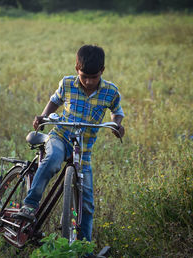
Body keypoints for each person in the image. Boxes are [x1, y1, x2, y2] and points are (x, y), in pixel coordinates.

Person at [16, 45, 125, 242]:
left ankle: (84, 246)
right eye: (84, 76)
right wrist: (43, 116)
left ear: (103, 70)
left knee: (87, 203)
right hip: (60, 137)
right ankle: (30, 204)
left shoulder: (111, 91)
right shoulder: (67, 83)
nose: (90, 81)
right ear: (77, 69)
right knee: (53, 160)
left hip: (83, 150)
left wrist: (117, 125)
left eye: (94, 76)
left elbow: (117, 112)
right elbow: (54, 101)